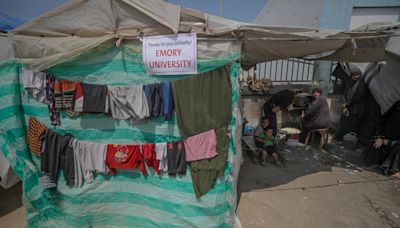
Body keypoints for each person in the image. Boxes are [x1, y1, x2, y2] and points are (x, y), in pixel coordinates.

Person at [362, 101, 400, 177]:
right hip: (385, 137)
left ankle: (396, 170)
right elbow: (384, 119)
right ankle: (376, 162)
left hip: (396, 142)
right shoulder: (398, 104)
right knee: (374, 143)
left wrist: (390, 142)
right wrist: (380, 136)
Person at [334, 64, 367, 140]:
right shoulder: (350, 82)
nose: (354, 77)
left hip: (355, 109)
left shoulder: (362, 85)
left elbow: (358, 97)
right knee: (343, 123)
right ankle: (338, 137)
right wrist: (344, 104)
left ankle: (346, 139)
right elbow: (345, 92)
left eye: (356, 75)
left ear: (359, 76)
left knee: (350, 125)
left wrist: (347, 105)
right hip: (347, 107)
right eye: (353, 75)